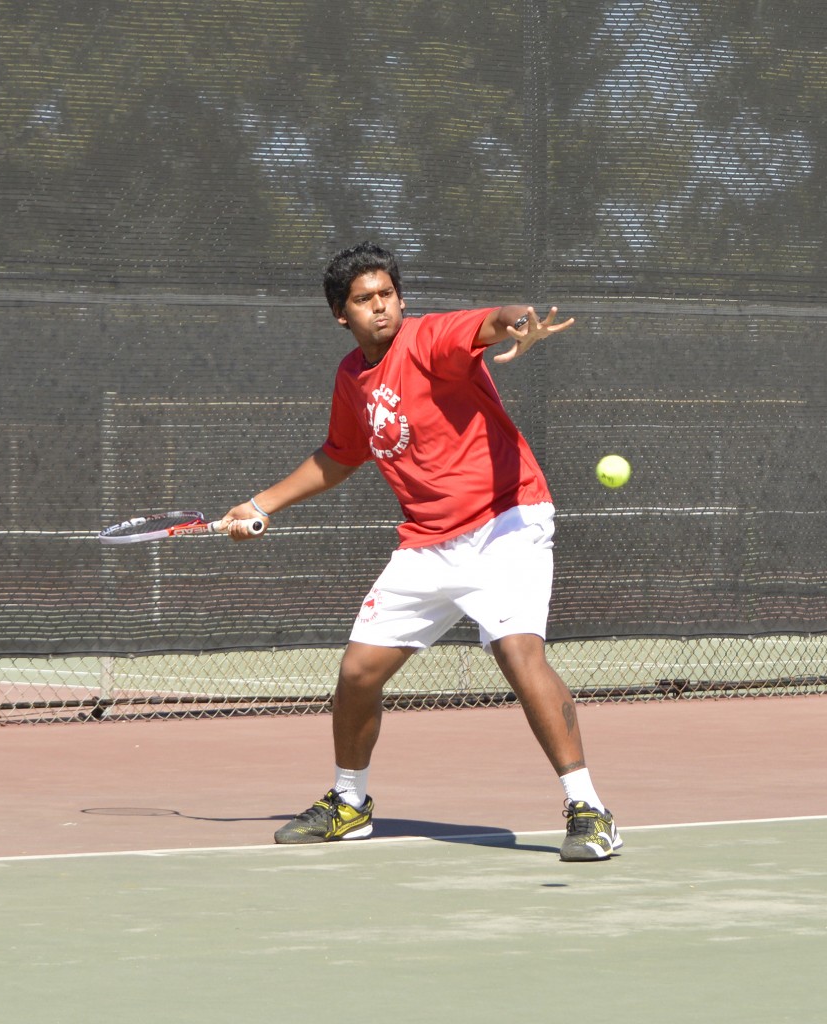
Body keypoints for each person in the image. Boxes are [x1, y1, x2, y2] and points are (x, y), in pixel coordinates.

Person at [222, 241, 621, 862]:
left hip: (505, 522)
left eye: (386, 295)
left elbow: (492, 320)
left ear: (400, 299)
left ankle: (589, 810)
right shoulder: (352, 378)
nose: (379, 307)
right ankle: (348, 804)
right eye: (363, 300)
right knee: (357, 673)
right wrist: (261, 504)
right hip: (427, 540)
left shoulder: (431, 339)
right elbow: (340, 455)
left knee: (518, 653)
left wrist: (522, 323)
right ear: (341, 314)